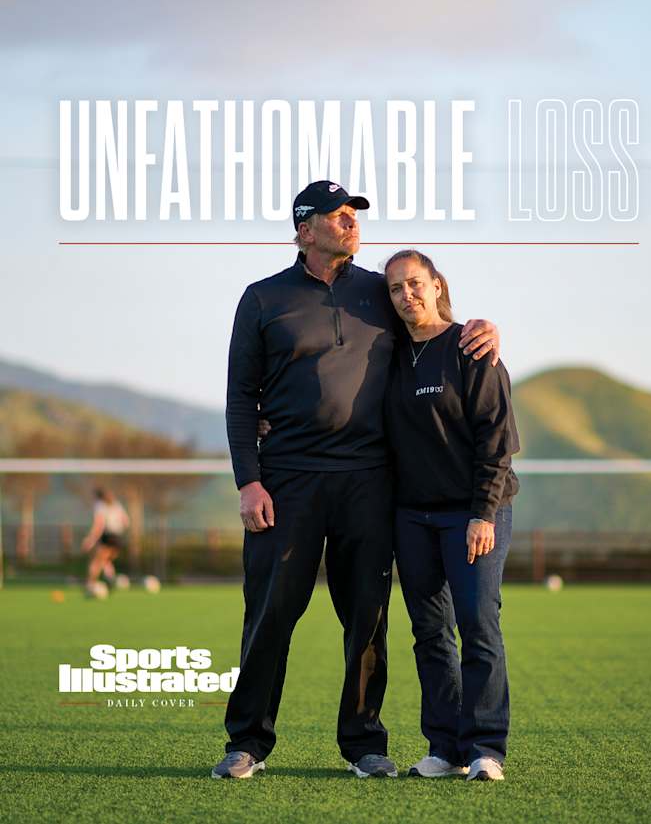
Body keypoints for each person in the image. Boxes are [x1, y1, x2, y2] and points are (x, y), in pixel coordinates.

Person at [212, 181, 502, 780]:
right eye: (337, 216)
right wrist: (249, 481)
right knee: (269, 613)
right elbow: (241, 397)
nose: (351, 223)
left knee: (369, 617)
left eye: (353, 215)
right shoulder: (262, 299)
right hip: (286, 481)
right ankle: (248, 742)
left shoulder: (379, 290)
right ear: (304, 229)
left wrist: (484, 329)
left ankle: (364, 743)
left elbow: (435, 330)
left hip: (370, 481)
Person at [383, 249, 519, 781]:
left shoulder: (471, 347)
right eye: (395, 289)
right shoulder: (389, 355)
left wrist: (482, 514)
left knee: (479, 625)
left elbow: (497, 438)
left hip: (473, 514)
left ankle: (486, 748)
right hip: (413, 517)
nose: (406, 295)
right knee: (431, 632)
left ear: (437, 285)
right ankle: (445, 747)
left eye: (414, 283)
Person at [81, 487, 129, 592]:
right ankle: (111, 580)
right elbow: (126, 521)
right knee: (106, 560)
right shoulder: (116, 504)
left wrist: (91, 539)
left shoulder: (100, 505)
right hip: (118, 537)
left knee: (96, 561)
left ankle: (90, 584)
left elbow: (99, 524)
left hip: (108, 535)